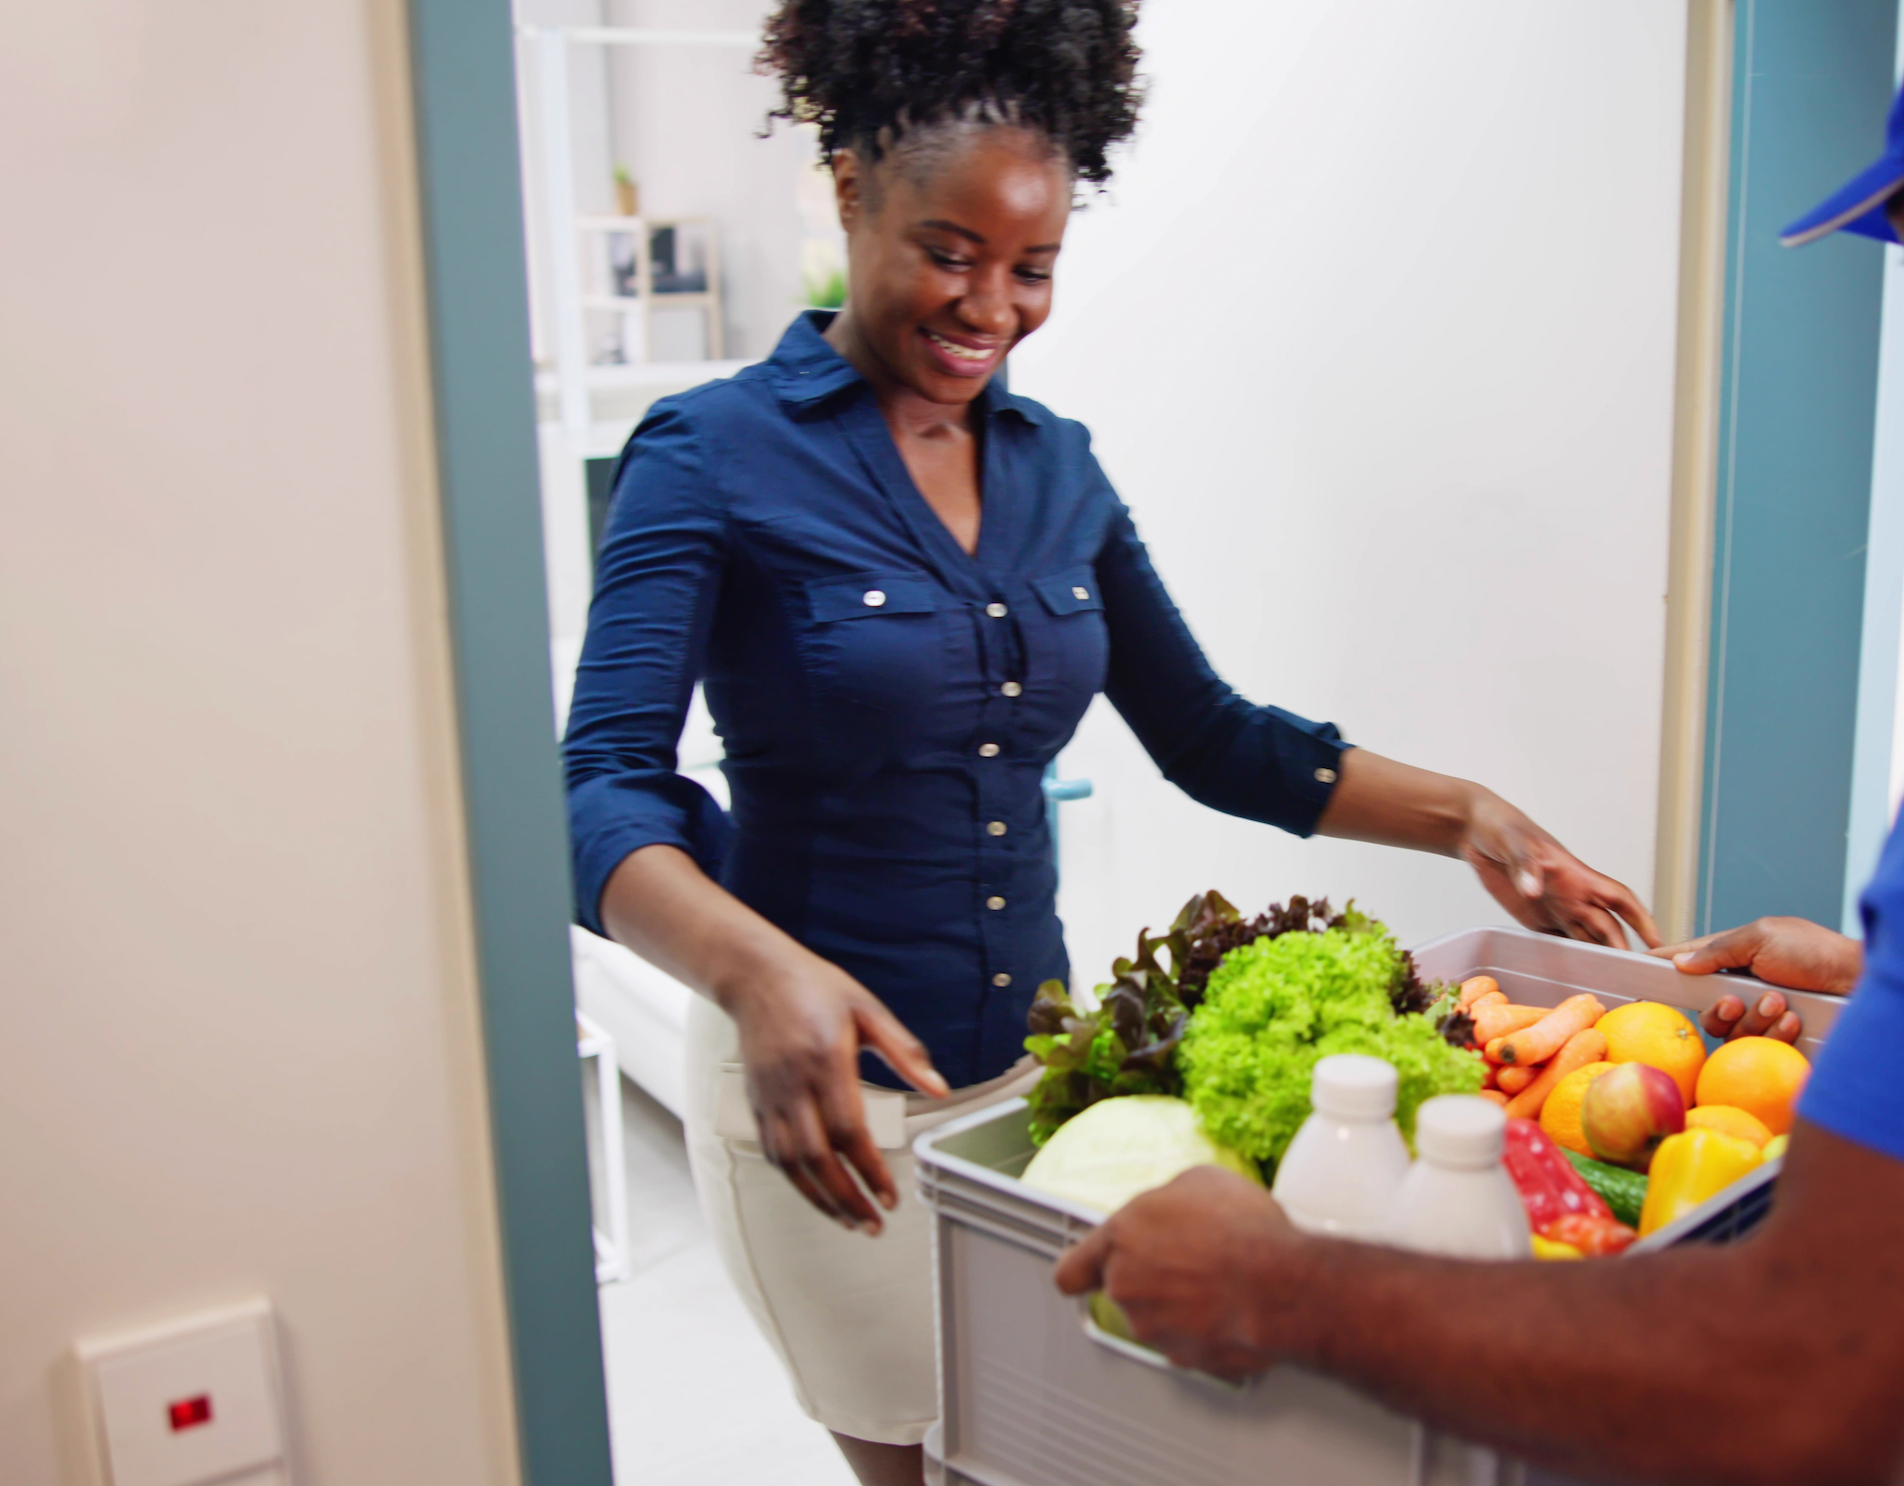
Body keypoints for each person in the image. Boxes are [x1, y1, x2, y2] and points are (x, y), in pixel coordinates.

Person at [564, 3, 1655, 1481]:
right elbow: (594, 789)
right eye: (949, 254)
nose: (991, 308)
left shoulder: (1057, 470)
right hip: (824, 1104)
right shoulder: (711, 456)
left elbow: (1213, 737)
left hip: (1037, 1090)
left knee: (1048, 1449)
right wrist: (759, 974)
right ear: (846, 190)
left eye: (1034, 268)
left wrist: (1478, 818)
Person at [1055, 87, 1904, 1486]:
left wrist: (1284, 1290)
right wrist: (1873, 979)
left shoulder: (1056, 474)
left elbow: (1801, 1380)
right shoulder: (724, 455)